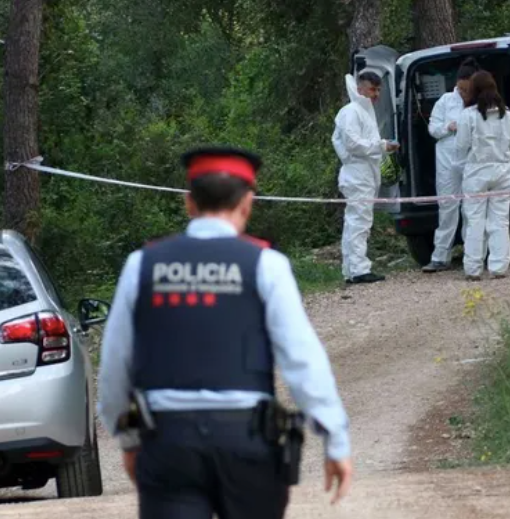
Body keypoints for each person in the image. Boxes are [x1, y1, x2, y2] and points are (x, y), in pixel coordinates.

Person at [97, 146, 353, 519]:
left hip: (169, 444)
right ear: (247, 202)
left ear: (189, 203)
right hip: (247, 444)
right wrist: (335, 440)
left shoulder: (143, 265)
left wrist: (129, 440)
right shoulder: (266, 265)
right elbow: (302, 360)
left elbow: (115, 364)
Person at [333, 71, 399, 284]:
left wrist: (383, 146)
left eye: (379, 89)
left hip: (363, 174)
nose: (376, 94)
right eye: (373, 89)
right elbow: (352, 144)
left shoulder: (363, 112)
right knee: (359, 222)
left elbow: (356, 143)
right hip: (357, 174)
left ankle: (351, 269)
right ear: (360, 89)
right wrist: (381, 146)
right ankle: (359, 269)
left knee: (355, 222)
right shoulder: (351, 111)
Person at [453, 71, 510, 281]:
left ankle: (473, 268)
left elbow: (461, 146)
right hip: (502, 171)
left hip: (476, 172)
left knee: (474, 221)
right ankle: (499, 266)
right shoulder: (506, 114)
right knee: (500, 220)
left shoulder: (468, 115)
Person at [421, 58, 480, 273]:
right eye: (461, 88)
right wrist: (449, 126)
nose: (464, 92)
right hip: (447, 160)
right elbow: (433, 128)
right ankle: (440, 255)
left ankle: (472, 254)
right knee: (447, 206)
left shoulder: (479, 102)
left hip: (471, 160)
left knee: (471, 207)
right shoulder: (446, 101)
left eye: (468, 89)